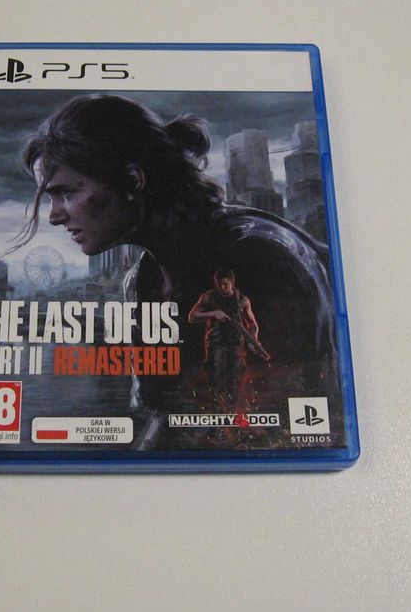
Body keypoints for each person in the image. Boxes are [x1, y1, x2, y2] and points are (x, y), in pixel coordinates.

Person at [21, 94, 339, 448]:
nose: (55, 215)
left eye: (65, 192)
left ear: (132, 180)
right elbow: (169, 421)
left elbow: (289, 429)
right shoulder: (144, 279)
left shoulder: (259, 257)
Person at [188, 269, 260, 413]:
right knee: (216, 381)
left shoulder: (242, 300)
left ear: (232, 283)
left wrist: (253, 340)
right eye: (219, 284)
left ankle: (231, 414)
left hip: (236, 344)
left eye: (225, 284)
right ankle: (218, 416)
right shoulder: (208, 298)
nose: (221, 287)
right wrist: (213, 313)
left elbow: (252, 323)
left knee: (234, 382)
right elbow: (192, 316)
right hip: (215, 344)